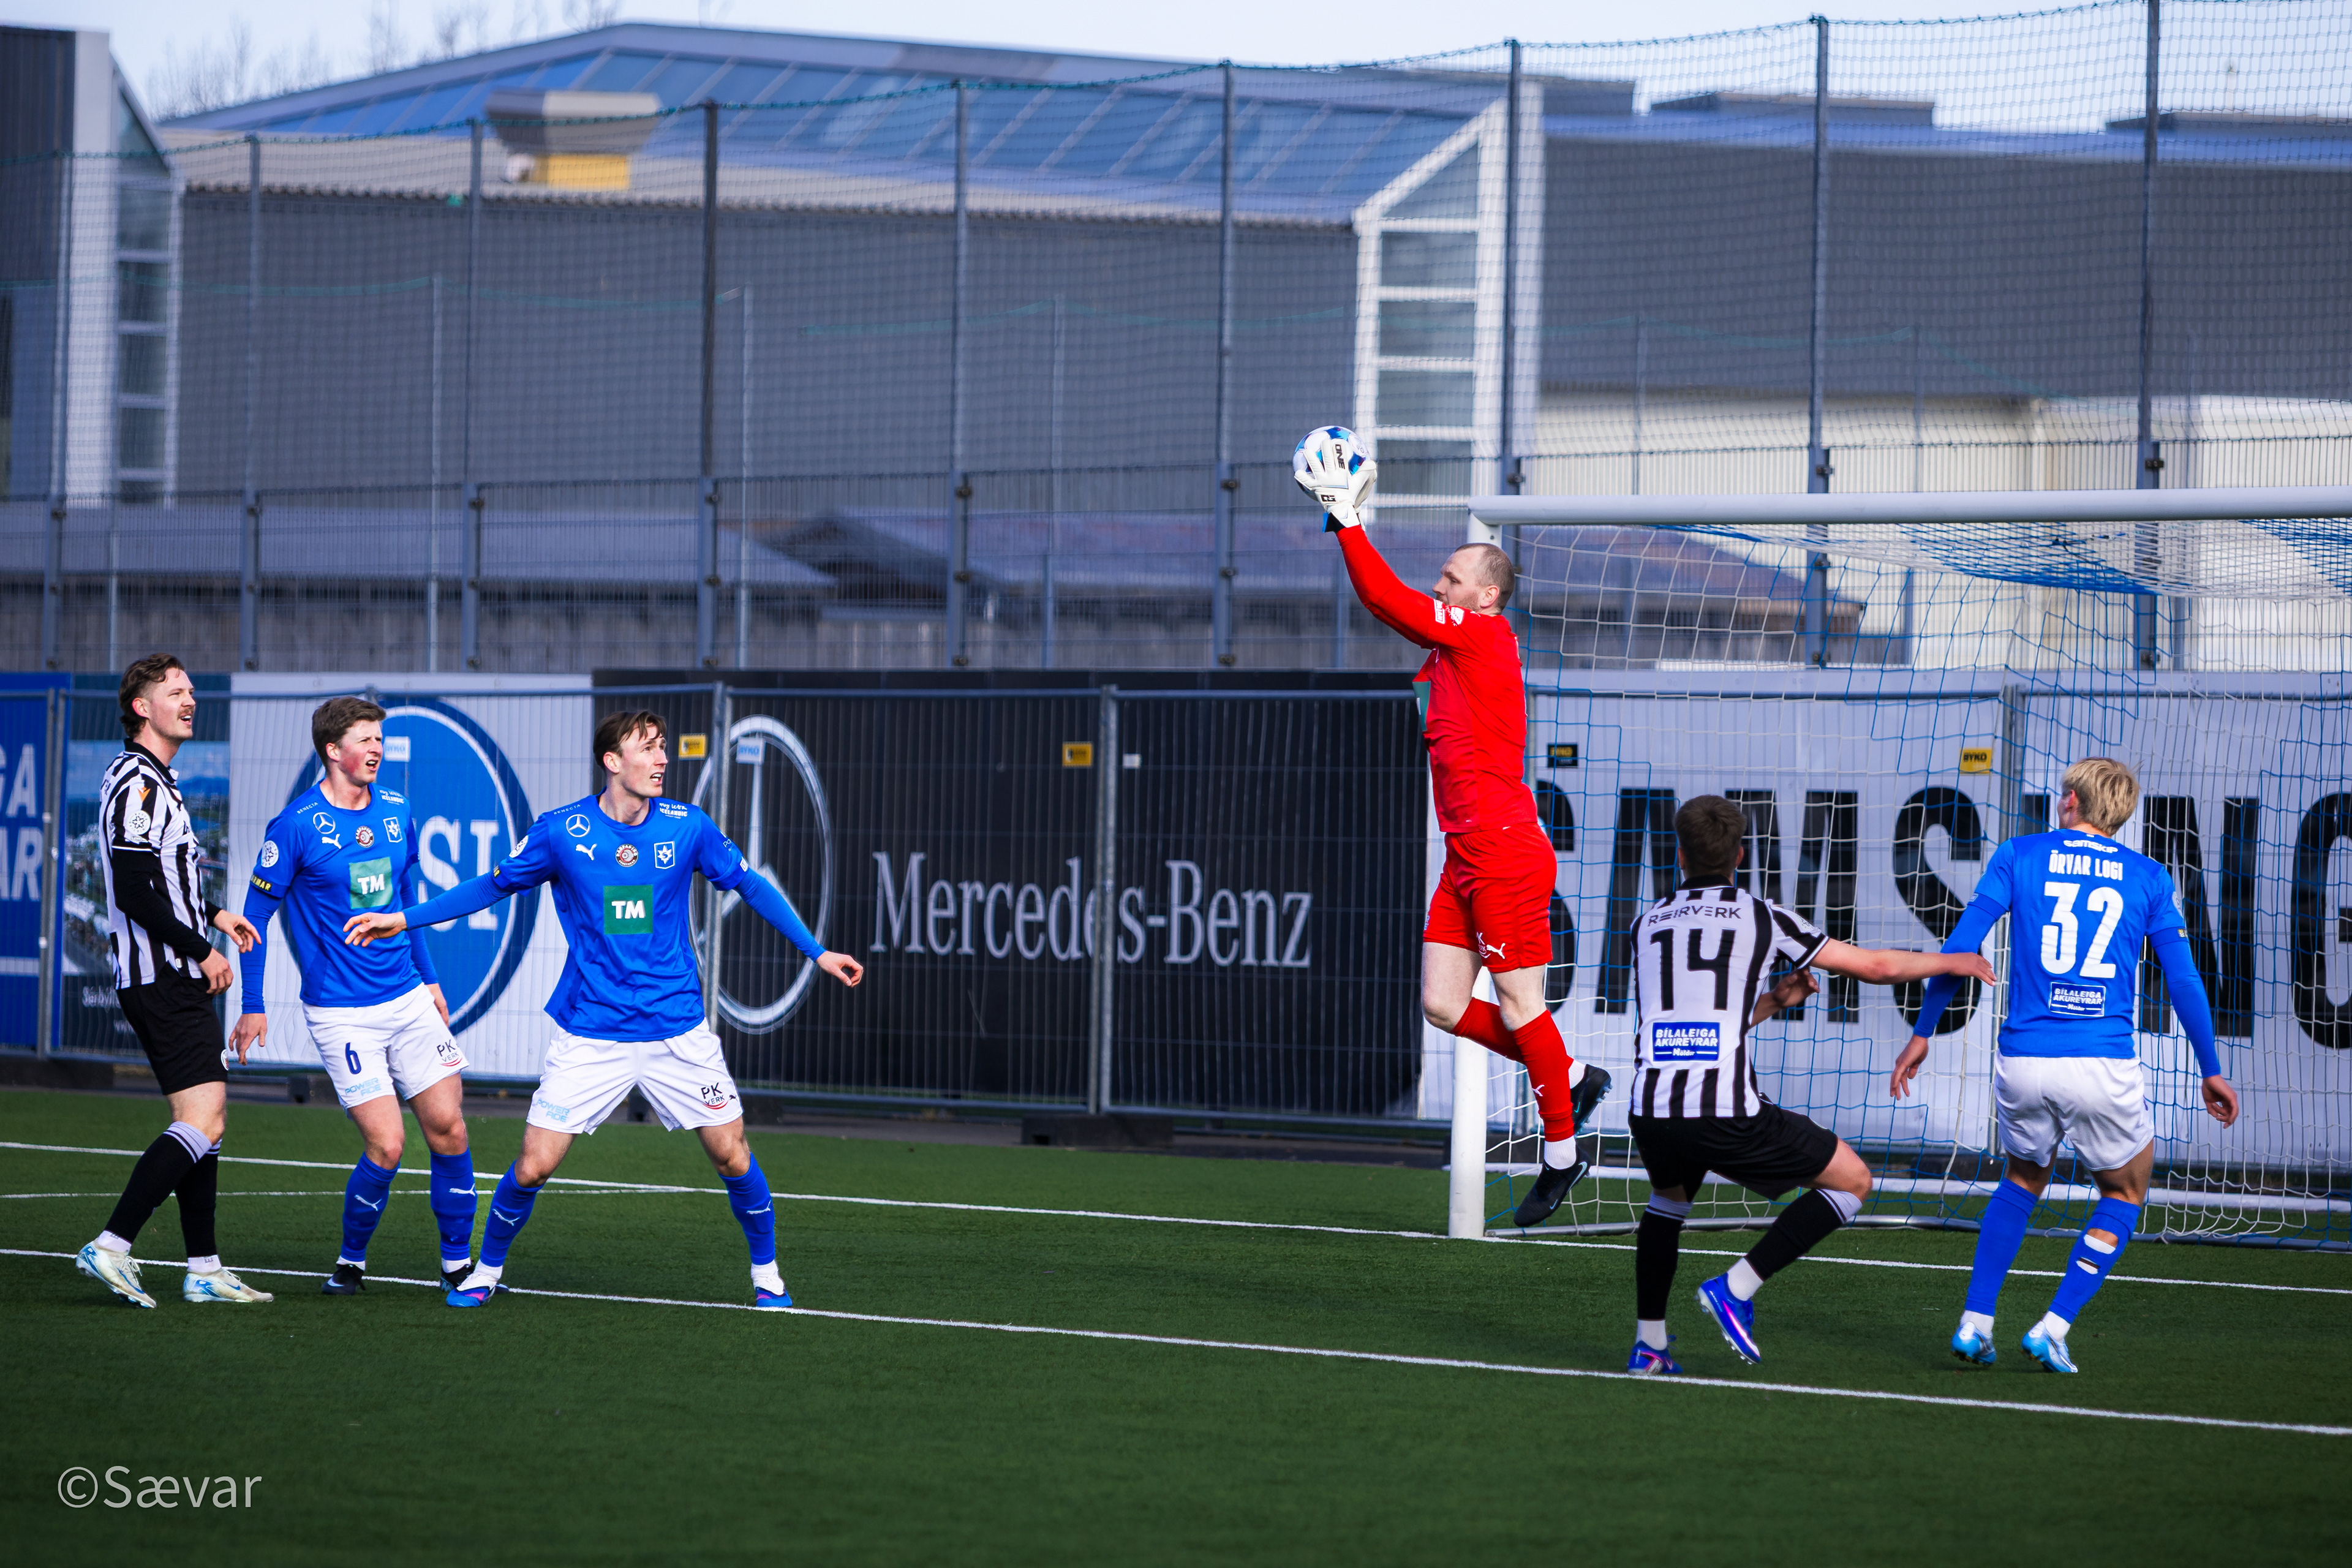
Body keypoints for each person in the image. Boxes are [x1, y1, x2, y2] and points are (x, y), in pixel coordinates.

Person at [345, 709, 863, 1309]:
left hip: (677, 1027)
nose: (663, 759)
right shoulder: (562, 832)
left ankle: (768, 1275)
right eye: (649, 748)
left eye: (664, 747)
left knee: (732, 1152)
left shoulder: (688, 827)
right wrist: (404, 918)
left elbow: (751, 885)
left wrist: (817, 952)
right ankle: (484, 1271)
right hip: (593, 1030)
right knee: (534, 1165)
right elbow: (491, 885)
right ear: (613, 761)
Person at [1297, 430, 1607, 1228]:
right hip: (1466, 853)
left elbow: (1385, 600)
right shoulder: (1451, 649)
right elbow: (1395, 606)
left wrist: (1348, 520)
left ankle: (1562, 1153)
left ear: (1488, 596)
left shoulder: (1481, 635)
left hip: (1502, 847)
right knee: (1441, 1002)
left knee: (1520, 1003)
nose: (1439, 586)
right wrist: (1343, 515)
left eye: (1451, 579)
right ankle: (1570, 1077)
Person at [1891, 757, 2239, 1374]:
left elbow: (1960, 948)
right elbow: (2184, 980)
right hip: (2100, 1063)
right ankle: (2052, 1327)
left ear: (2073, 801)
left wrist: (1923, 1033)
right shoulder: (2149, 876)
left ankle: (1975, 1322)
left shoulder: (2019, 855)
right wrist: (2210, 1067)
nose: (2059, 800)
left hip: (2024, 1059)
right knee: (2124, 1191)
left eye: (2062, 793)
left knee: (2022, 1180)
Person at [1626, 795, 1996, 1374]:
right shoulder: (1761, 916)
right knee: (1853, 1181)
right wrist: (1952, 962)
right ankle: (1736, 1288)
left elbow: (1690, 1024)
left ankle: (1649, 1347)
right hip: (1721, 1108)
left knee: (1668, 1204)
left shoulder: (1646, 923)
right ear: (1740, 856)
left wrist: (1775, 1001)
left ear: (1678, 856)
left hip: (1651, 1106)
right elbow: (1875, 967)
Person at [230, 696, 480, 1294]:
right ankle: (350, 1262)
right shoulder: (295, 825)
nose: (376, 750)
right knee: (388, 1144)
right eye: (365, 740)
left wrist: (430, 979)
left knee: (449, 1128)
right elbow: (253, 918)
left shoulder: (397, 809)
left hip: (407, 997)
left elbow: (405, 898)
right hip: (341, 1012)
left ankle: (458, 1265)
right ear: (331, 750)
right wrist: (252, 1004)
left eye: (379, 740)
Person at [75, 654, 271, 1308]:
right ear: (141, 707)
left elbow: (165, 880)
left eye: (191, 689)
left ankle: (204, 1268)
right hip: (162, 974)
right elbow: (134, 890)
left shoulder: (158, 780)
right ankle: (111, 1245)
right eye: (176, 691)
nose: (190, 699)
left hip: (173, 972)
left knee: (203, 1122)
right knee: (204, 1119)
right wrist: (203, 949)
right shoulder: (137, 781)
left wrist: (214, 915)